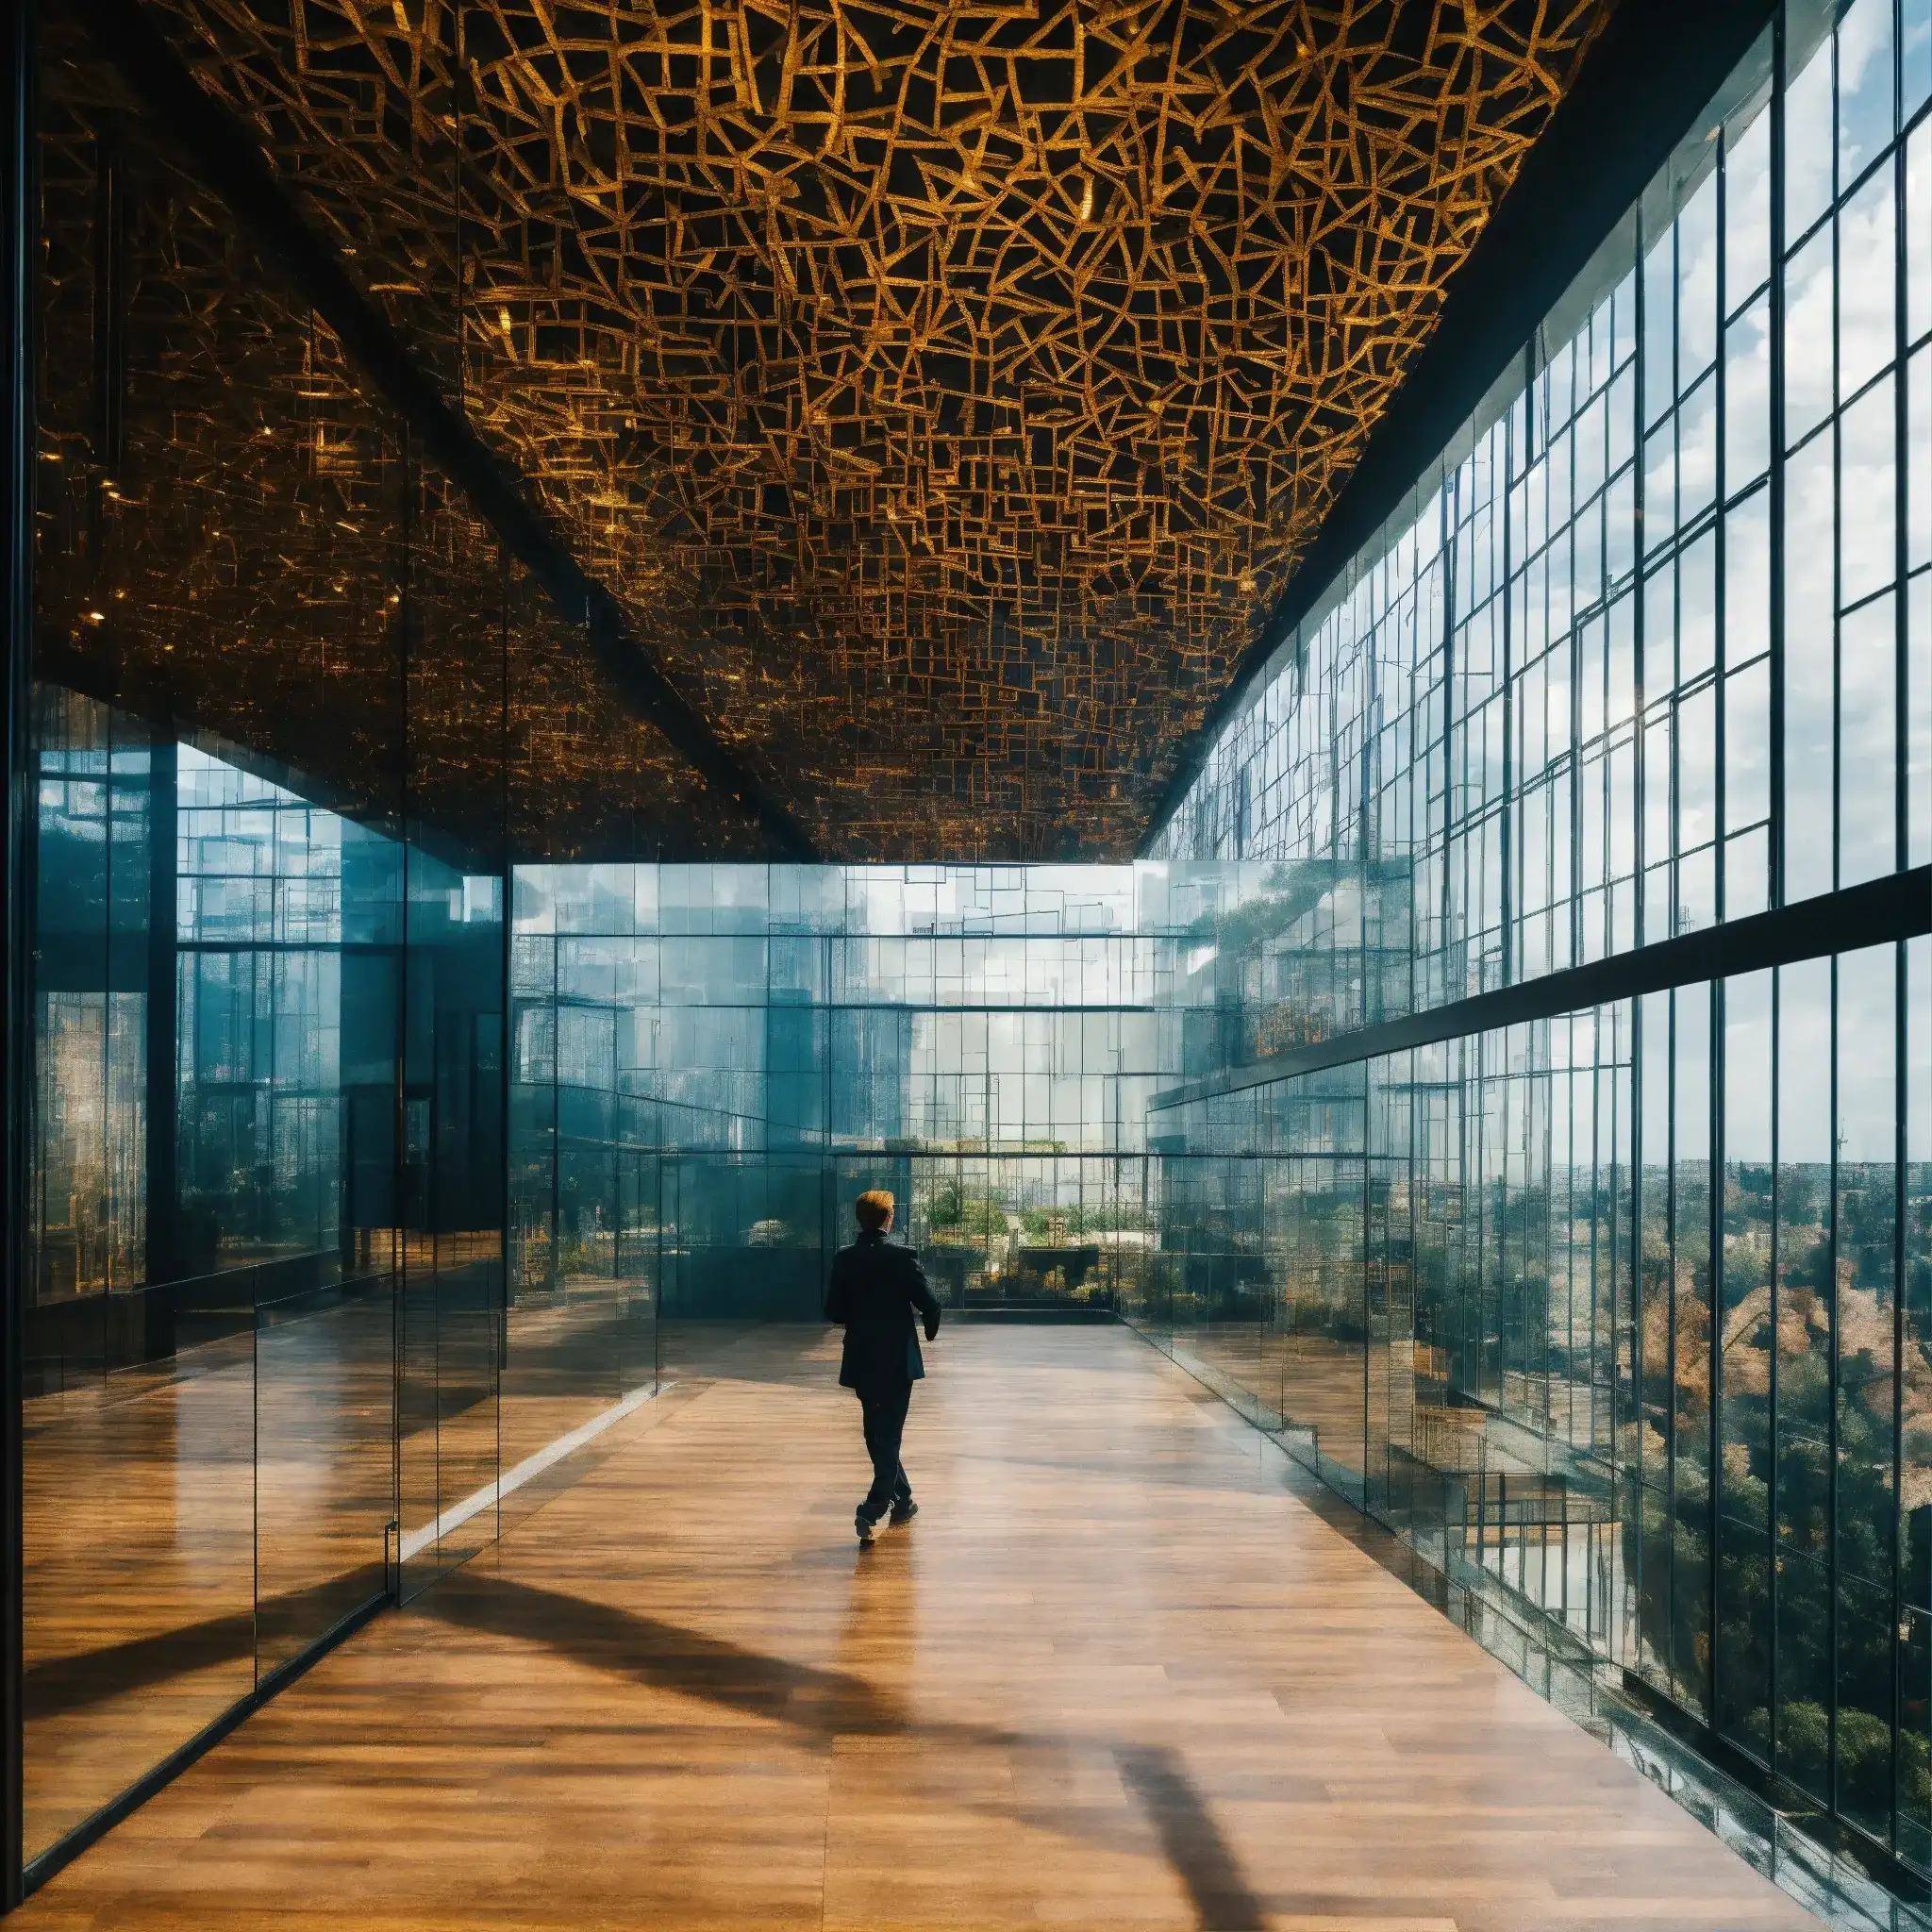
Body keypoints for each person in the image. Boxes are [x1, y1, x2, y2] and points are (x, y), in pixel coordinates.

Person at [823, 1189, 941, 1544]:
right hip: (896, 1359)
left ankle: (902, 1499)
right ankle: (872, 1508)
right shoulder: (902, 1258)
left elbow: (834, 1312)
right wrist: (930, 1332)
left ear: (859, 1219)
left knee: (877, 1431)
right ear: (889, 1218)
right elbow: (930, 1303)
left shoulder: (845, 1259)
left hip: (861, 1357)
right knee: (886, 1434)